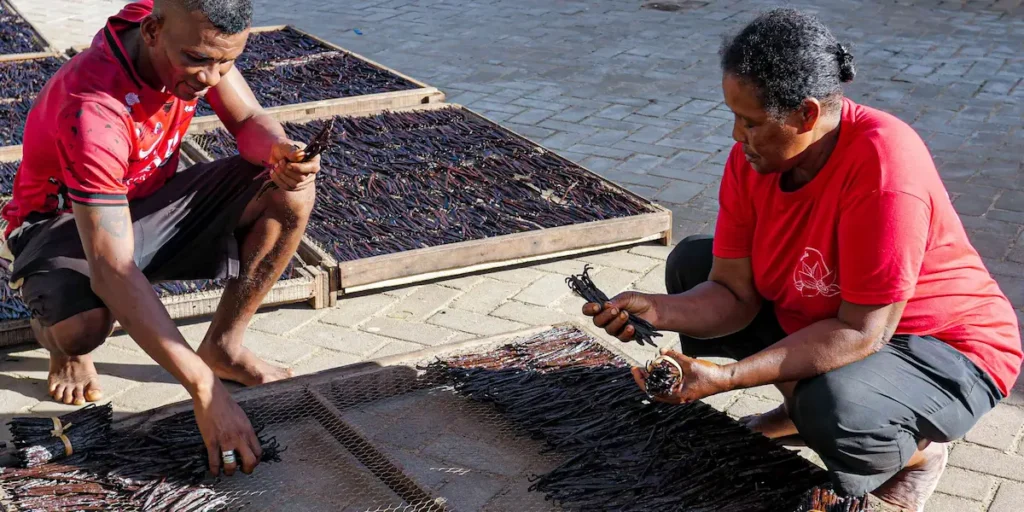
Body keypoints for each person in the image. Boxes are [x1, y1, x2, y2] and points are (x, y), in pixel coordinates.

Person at [583, 8, 1021, 512]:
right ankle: (795, 411)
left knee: (837, 407)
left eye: (749, 122)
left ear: (806, 115)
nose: (735, 136)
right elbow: (731, 292)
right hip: (839, 315)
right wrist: (654, 309)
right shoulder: (752, 162)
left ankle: (915, 453)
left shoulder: (883, 166)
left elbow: (862, 332)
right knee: (692, 266)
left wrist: (729, 377)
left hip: (944, 347)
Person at [0, 0, 320, 476]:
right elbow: (112, 268)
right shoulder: (95, 112)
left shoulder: (182, 27)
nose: (211, 78)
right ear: (151, 33)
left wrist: (279, 149)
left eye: (226, 62)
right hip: (60, 227)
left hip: (144, 202)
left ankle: (225, 347)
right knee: (83, 328)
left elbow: (248, 117)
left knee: (289, 191)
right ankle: (62, 348)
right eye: (196, 60)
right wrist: (203, 388)